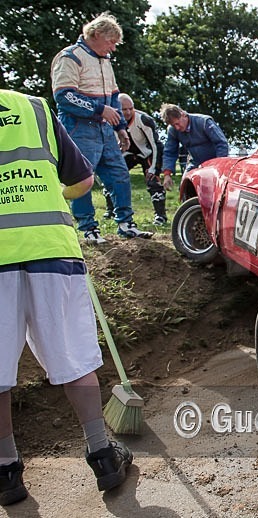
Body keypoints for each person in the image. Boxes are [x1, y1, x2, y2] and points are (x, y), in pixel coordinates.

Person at [0, 89, 133, 507]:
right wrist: (46, 198)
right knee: (74, 357)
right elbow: (82, 179)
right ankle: (102, 456)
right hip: (51, 249)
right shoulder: (34, 108)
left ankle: (6, 472)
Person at [50, 12, 152, 244]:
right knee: (82, 177)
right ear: (94, 35)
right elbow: (64, 96)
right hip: (79, 127)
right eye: (111, 42)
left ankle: (126, 224)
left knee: (119, 174)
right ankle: (88, 229)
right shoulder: (70, 57)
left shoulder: (105, 62)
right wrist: (98, 109)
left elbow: (115, 96)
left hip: (106, 128)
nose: (113, 48)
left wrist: (121, 128)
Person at [104, 93, 169, 226]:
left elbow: (156, 145)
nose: (128, 112)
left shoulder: (144, 120)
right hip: (125, 153)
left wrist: (154, 168)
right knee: (111, 177)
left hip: (146, 153)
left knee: (153, 181)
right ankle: (111, 210)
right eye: (124, 109)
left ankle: (160, 215)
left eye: (130, 108)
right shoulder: (109, 119)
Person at [159, 103, 229, 190]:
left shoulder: (204, 122)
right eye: (173, 125)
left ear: (183, 114)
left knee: (216, 188)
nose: (177, 128)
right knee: (184, 188)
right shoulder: (173, 131)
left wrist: (218, 166)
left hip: (215, 162)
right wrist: (167, 174)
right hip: (195, 162)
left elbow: (221, 143)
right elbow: (170, 152)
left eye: (177, 123)